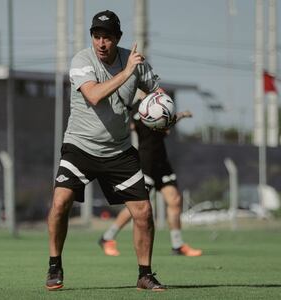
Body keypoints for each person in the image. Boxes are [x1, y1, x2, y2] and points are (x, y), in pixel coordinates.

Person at [46, 10, 167, 292]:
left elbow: (157, 93)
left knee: (143, 212)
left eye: (107, 37)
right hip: (80, 147)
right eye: (96, 36)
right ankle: (54, 265)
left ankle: (145, 275)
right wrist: (127, 73)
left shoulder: (135, 62)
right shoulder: (82, 60)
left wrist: (161, 115)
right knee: (60, 202)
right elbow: (94, 94)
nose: (101, 43)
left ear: (117, 39)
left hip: (119, 150)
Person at [99, 97, 202, 257]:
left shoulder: (158, 102)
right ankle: (107, 237)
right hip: (145, 164)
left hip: (162, 163)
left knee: (174, 200)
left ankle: (177, 245)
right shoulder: (136, 107)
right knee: (137, 206)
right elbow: (128, 124)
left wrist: (179, 115)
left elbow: (165, 120)